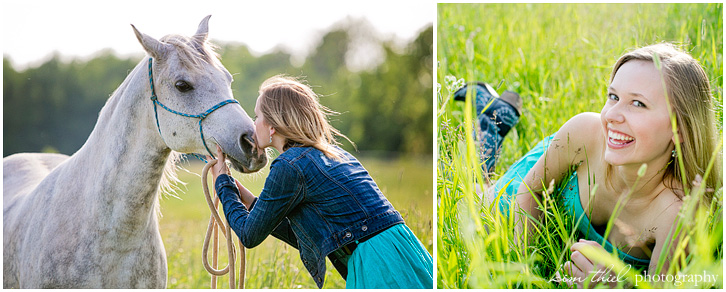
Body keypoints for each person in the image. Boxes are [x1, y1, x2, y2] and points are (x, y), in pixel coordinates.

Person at [458, 43, 721, 288]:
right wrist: (523, 273)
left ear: (680, 128)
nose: (611, 115)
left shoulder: (678, 212)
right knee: (472, 202)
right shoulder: (584, 130)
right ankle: (491, 125)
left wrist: (617, 286)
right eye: (613, 96)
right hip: (555, 174)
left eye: (638, 103)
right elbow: (530, 192)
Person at [209, 75, 433, 289]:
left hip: (378, 263)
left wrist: (222, 183)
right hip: (400, 250)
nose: (253, 123)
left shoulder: (289, 166)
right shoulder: (333, 154)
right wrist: (243, 196)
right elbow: (305, 236)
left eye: (256, 116)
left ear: (272, 126)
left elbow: (248, 235)